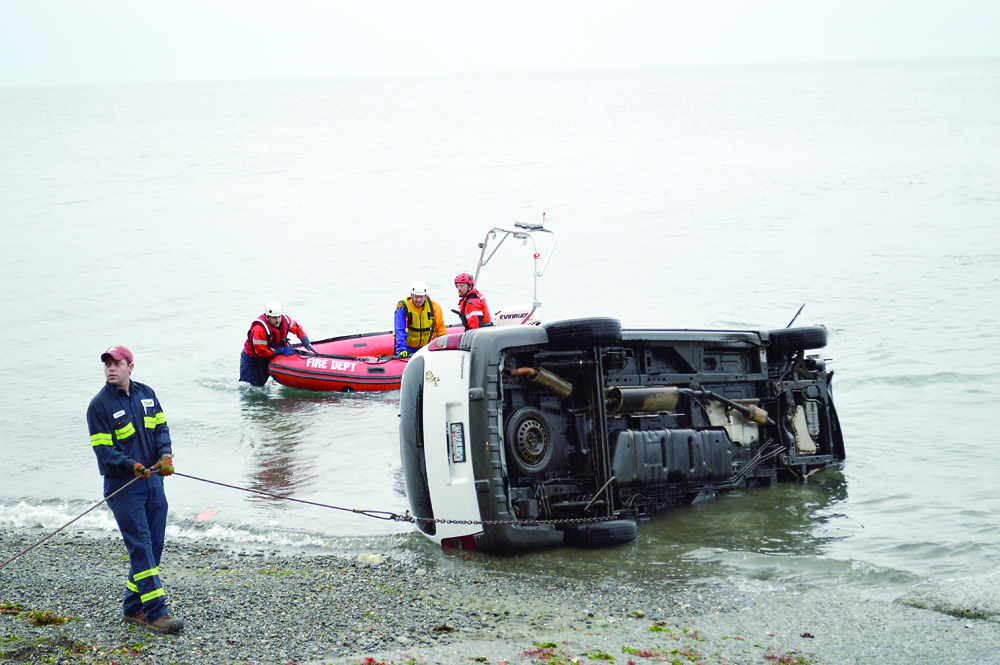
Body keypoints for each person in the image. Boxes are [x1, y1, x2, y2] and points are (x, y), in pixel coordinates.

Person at [86, 345, 184, 634]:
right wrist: (131, 465)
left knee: (153, 547)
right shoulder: (99, 406)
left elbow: (161, 428)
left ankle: (132, 607)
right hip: (123, 486)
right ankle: (156, 613)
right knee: (140, 546)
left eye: (116, 363)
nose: (110, 368)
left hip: (154, 480)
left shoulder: (146, 394)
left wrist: (166, 454)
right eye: (107, 364)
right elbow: (104, 452)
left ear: (130, 366)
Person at [239, 301, 317, 386]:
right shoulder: (259, 329)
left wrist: (305, 340)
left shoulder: (285, 321)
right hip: (252, 358)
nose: (278, 320)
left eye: (279, 317)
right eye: (274, 318)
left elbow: (297, 328)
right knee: (250, 386)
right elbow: (261, 351)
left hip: (269, 355)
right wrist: (279, 351)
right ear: (267, 317)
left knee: (261, 384)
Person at [393, 281, 446, 357]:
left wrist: (443, 346)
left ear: (425, 296)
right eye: (416, 297)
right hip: (408, 349)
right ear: (411, 295)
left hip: (426, 348)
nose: (418, 300)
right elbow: (399, 330)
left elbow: (440, 329)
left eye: (421, 297)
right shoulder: (403, 308)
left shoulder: (434, 307)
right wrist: (402, 349)